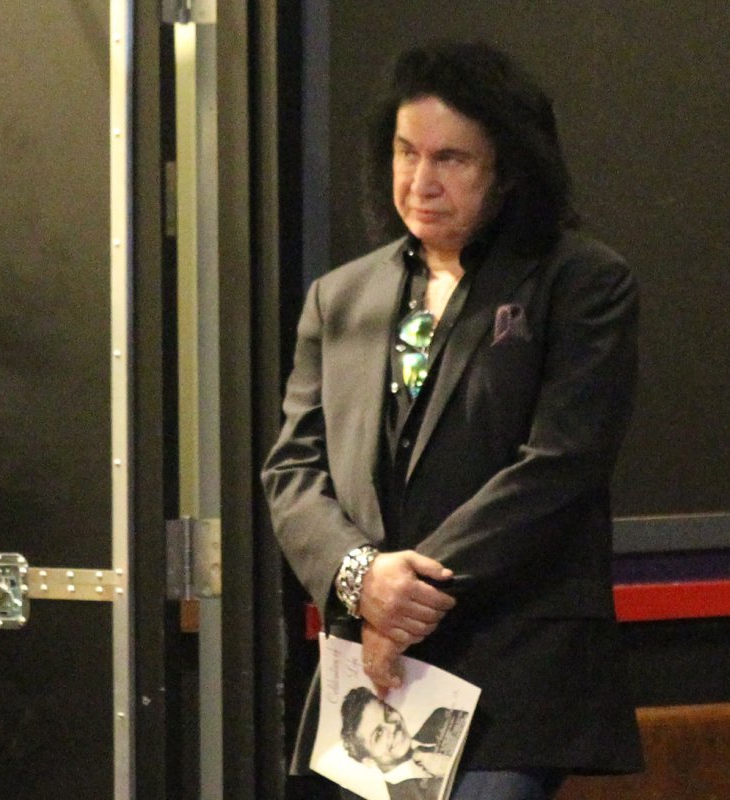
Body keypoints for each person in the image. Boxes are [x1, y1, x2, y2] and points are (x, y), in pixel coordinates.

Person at [262, 39, 643, 800]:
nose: (420, 181)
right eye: (406, 153)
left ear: (507, 170)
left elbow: (560, 466)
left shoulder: (581, 282)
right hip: (370, 674)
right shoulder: (340, 298)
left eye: (451, 159)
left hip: (509, 664)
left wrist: (401, 600)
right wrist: (360, 576)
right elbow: (293, 472)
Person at [340, 686, 469, 800]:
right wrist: (449, 768)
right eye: (378, 734)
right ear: (369, 761)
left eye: (388, 712)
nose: (392, 727)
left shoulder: (440, 717)